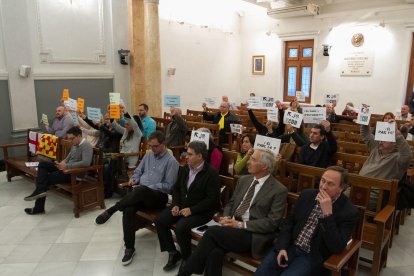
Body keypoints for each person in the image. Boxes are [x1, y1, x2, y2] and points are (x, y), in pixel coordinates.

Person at [177, 149, 288, 276]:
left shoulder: (279, 190)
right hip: (232, 227)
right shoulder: (244, 180)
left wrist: (240, 225)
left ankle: (186, 272)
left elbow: (272, 223)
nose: (248, 162)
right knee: (215, 252)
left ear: (264, 166)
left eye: (253, 160)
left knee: (212, 232)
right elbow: (231, 202)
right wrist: (226, 217)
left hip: (253, 234)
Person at [94, 131, 179, 265]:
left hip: (158, 197)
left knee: (142, 190)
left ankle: (112, 210)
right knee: (128, 208)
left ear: (163, 144)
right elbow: (138, 171)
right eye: (150, 146)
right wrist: (134, 179)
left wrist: (148, 186)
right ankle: (129, 248)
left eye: (155, 146)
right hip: (141, 193)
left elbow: (168, 186)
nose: (152, 149)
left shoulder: (171, 161)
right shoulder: (148, 155)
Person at [255, 166, 358, 276]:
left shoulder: (349, 212)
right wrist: (282, 247)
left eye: (330, 184)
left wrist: (327, 215)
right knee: (261, 273)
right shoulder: (307, 195)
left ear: (341, 188)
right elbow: (289, 223)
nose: (323, 187)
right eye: (323, 181)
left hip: (312, 256)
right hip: (290, 247)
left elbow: (336, 246)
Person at [154, 141, 220, 272]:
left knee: (181, 227)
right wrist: (176, 204)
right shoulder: (185, 168)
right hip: (183, 206)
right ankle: (173, 252)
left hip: (201, 211)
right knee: (160, 221)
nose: (186, 157)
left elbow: (212, 200)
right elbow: (177, 188)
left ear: (200, 156)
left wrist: (192, 210)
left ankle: (187, 258)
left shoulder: (211, 173)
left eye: (190, 154)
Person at [24, 126, 93, 214]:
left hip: (73, 174)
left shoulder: (86, 145)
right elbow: (67, 158)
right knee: (43, 164)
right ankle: (40, 194)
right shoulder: (75, 144)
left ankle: (39, 206)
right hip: (66, 169)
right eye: (69, 139)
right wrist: (61, 163)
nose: (70, 141)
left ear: (79, 136)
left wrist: (67, 166)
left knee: (42, 179)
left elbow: (86, 163)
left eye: (71, 139)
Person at [359, 119, 411, 209]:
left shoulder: (399, 158)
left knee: (345, 203)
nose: (380, 142)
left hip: (376, 193)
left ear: (395, 143)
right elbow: (366, 135)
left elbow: (407, 154)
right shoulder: (376, 147)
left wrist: (396, 133)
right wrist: (365, 120)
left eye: (384, 140)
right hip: (358, 186)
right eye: (380, 139)